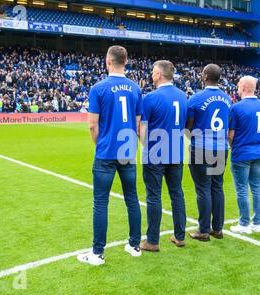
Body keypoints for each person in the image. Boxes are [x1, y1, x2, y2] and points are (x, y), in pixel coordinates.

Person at [78, 46, 143, 266]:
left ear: (108, 61)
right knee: (132, 199)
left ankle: (97, 253)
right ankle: (135, 246)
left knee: (100, 202)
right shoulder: (135, 88)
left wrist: (101, 144)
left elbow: (92, 126)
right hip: (128, 152)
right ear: (126, 61)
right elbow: (136, 124)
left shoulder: (98, 88)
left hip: (106, 152)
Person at [139, 60, 188, 252]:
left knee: (153, 196)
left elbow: (142, 129)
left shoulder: (150, 97)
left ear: (159, 75)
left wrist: (146, 146)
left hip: (155, 153)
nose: (151, 75)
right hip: (176, 152)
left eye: (153, 72)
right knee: (177, 193)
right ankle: (180, 236)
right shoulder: (183, 96)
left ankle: (152, 240)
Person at [186, 64, 232, 241]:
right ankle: (218, 228)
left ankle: (204, 230)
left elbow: (188, 125)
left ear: (205, 76)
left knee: (203, 188)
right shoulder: (228, 99)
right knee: (217, 187)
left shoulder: (196, 98)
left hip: (201, 147)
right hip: (221, 148)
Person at [228, 76, 260, 234]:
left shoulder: (237, 108)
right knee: (257, 187)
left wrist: (232, 146)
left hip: (242, 153)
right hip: (258, 151)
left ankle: (244, 223)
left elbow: (230, 135)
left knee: (242, 189)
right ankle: (257, 223)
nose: (237, 88)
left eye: (238, 85)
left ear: (244, 87)